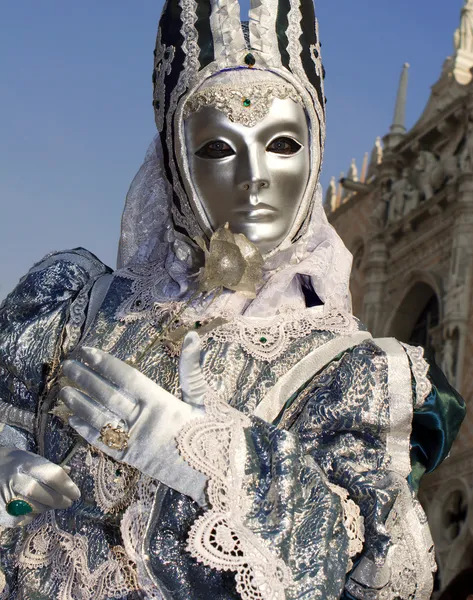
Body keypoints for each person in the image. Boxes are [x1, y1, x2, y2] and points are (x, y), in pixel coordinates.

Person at [0, 0, 466, 598]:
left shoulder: (352, 378)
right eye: (219, 149)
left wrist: (215, 461)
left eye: (282, 144)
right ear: (175, 162)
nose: (256, 176)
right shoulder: (72, 308)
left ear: (315, 148)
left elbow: (378, 576)